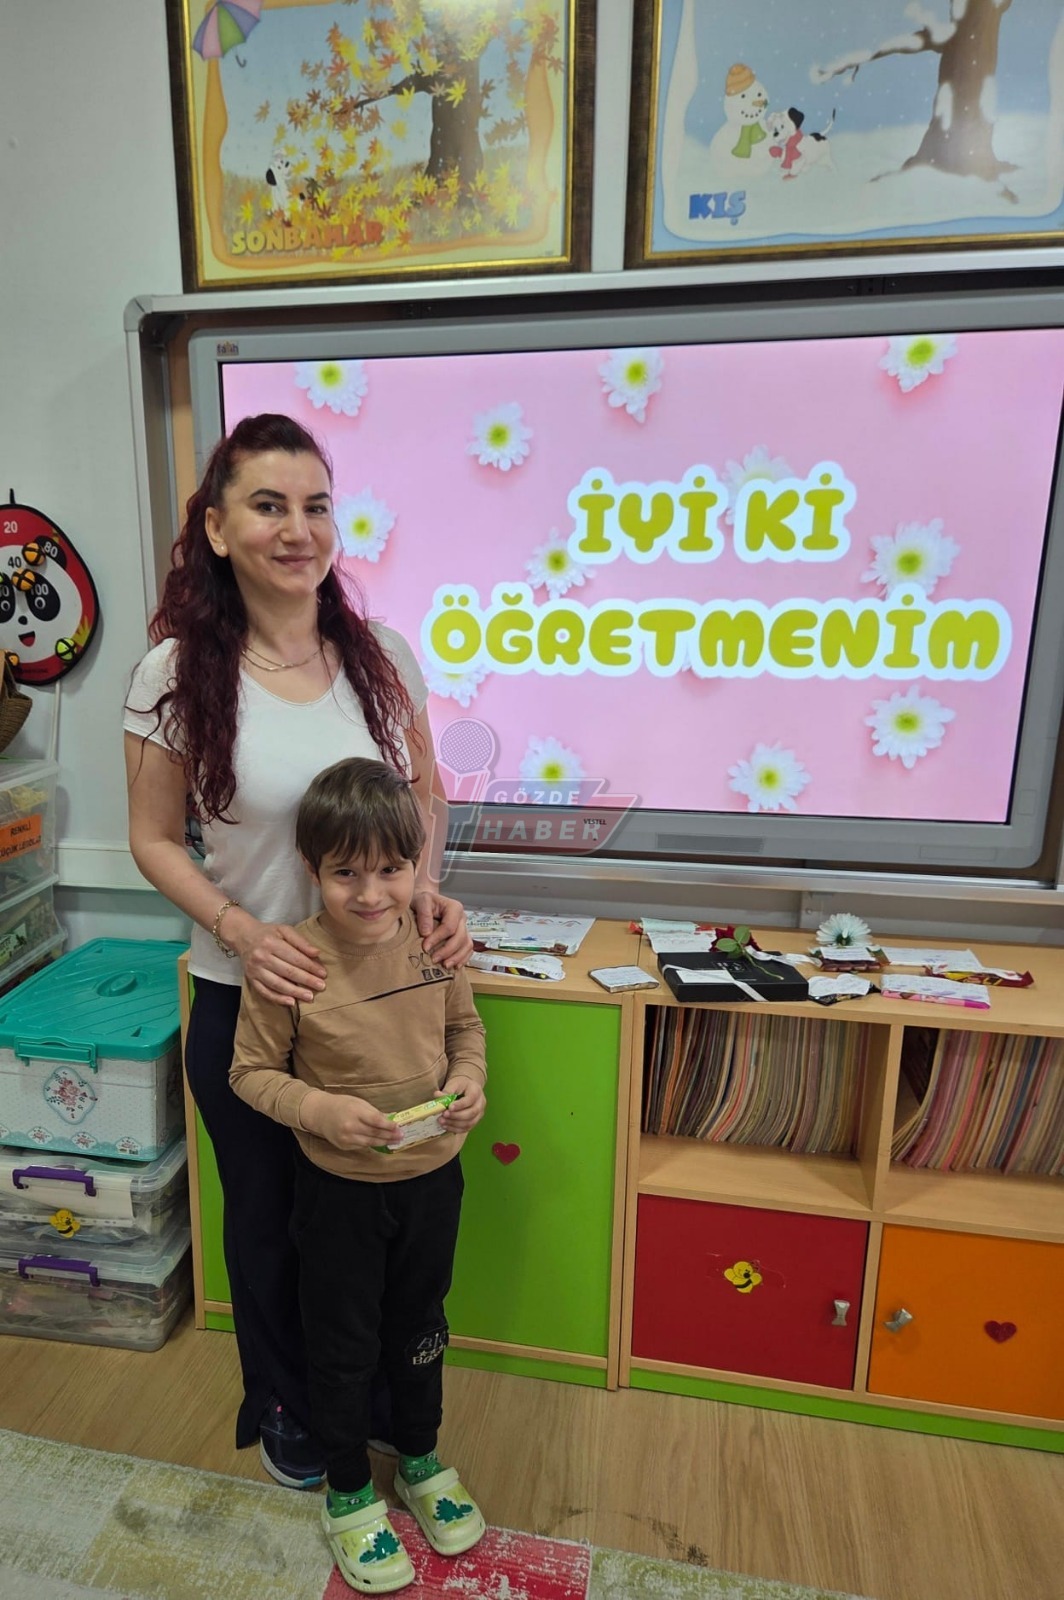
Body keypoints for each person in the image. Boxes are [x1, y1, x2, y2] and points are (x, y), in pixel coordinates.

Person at [124, 413, 471, 1491]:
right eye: (268, 505)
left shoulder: (383, 657)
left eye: (315, 505)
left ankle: (379, 1406)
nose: (297, 529)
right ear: (216, 527)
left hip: (384, 1000)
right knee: (274, 1226)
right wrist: (241, 930)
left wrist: (428, 890)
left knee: (377, 1228)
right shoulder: (176, 671)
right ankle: (286, 1402)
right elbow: (151, 838)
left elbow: (423, 793)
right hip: (252, 999)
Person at [230, 756, 487, 1592]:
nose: (371, 894)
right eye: (346, 873)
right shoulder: (290, 962)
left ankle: (419, 1455)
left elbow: (466, 1032)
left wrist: (471, 1082)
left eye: (390, 870)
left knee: (421, 1325)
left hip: (433, 1181)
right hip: (338, 1193)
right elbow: (250, 1074)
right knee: (340, 1343)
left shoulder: (436, 942)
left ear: (417, 865)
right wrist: (319, 1111)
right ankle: (347, 1488)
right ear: (313, 869)